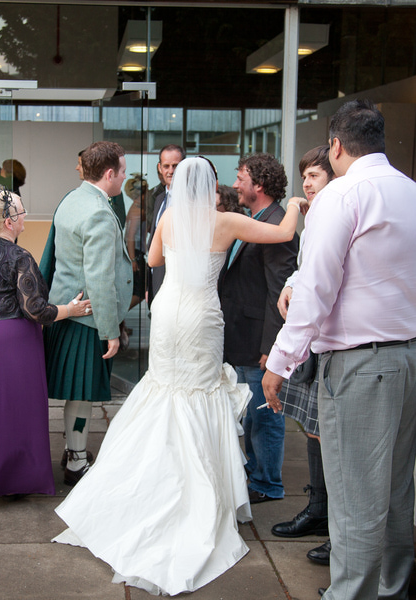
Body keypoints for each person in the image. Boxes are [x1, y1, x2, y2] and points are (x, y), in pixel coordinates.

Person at [53, 157, 305, 595]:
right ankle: (193, 492)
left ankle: (140, 484)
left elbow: (153, 259)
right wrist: (298, 204)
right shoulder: (226, 221)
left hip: (168, 312)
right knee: (198, 392)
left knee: (165, 391)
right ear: (210, 186)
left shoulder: (169, 218)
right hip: (201, 316)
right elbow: (284, 233)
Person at [263, 100, 416, 600]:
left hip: (360, 364)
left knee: (355, 494)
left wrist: (280, 362)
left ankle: (351, 594)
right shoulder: (409, 190)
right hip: (407, 355)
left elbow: (316, 289)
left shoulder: (342, 194)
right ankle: (393, 587)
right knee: (397, 490)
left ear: (335, 146)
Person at [0, 189, 91, 500]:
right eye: (21, 210)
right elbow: (36, 310)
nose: (25, 214)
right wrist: (71, 310)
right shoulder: (19, 257)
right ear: (9, 220)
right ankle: (11, 479)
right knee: (12, 408)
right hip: (8, 341)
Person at [40, 141, 132, 486]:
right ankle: (77, 460)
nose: (124, 178)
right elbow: (99, 278)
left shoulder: (71, 199)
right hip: (88, 319)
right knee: (82, 395)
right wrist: (110, 330)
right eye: (122, 172)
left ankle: (73, 450)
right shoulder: (98, 212)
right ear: (109, 174)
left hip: (67, 311)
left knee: (77, 393)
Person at [218, 153, 299, 504]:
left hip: (259, 341)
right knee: (252, 414)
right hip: (243, 336)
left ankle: (267, 483)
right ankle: (255, 474)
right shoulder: (256, 219)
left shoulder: (278, 224)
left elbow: (279, 293)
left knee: (265, 415)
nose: (236, 185)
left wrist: (272, 347)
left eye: (241, 178)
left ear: (259, 185)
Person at [270, 146, 334, 566]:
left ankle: (337, 531)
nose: (307, 184)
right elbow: (305, 268)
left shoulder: (337, 215)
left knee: (328, 435)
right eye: (305, 176)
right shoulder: (314, 218)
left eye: (315, 176)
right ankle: (318, 511)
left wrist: (280, 358)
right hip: (312, 342)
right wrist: (290, 283)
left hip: (330, 341)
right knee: (312, 430)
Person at [146, 144, 185, 307]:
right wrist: (149, 285)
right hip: (157, 279)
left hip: (180, 285)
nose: (171, 171)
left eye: (175, 166)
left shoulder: (192, 202)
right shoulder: (159, 199)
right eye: (166, 166)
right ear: (159, 168)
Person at [124, 174, 148, 308]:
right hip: (135, 253)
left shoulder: (137, 208)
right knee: (139, 292)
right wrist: (132, 259)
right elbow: (130, 236)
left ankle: (119, 318)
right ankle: (118, 317)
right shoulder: (137, 211)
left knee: (139, 291)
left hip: (136, 252)